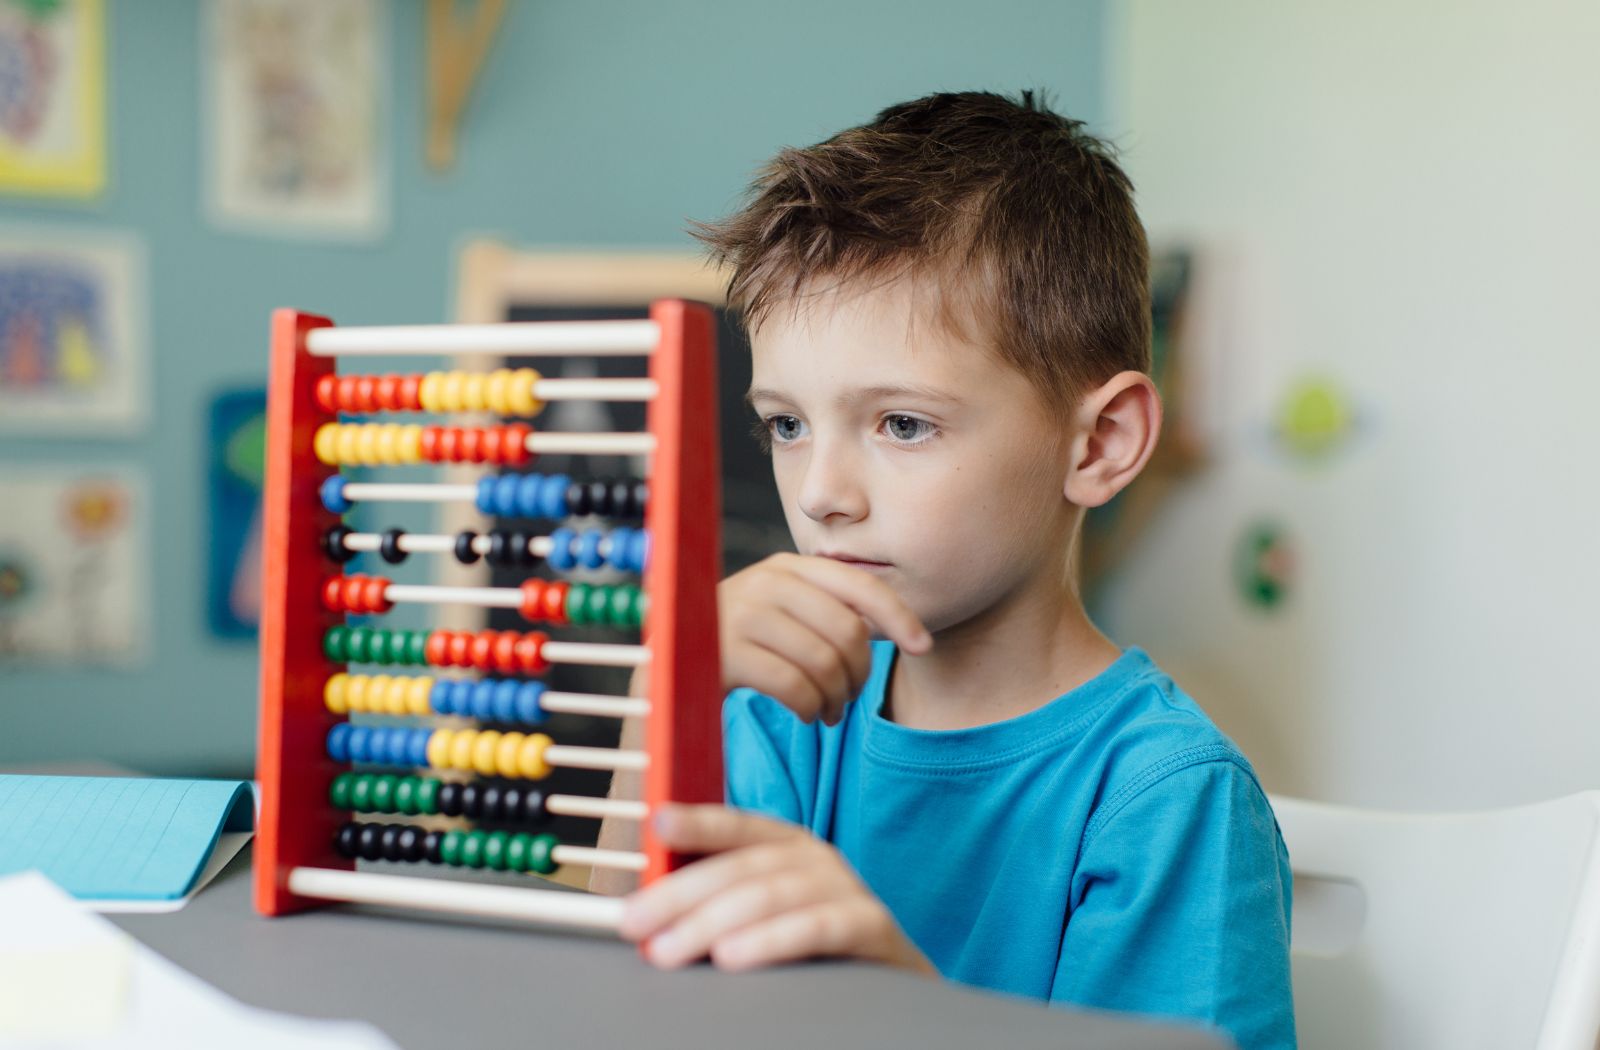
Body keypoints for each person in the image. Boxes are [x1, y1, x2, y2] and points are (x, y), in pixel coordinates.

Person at [593, 90, 1295, 1050]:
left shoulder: (1167, 799)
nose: (823, 493)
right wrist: (660, 686)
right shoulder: (775, 715)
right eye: (786, 425)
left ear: (1098, 444)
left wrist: (908, 1011)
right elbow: (610, 993)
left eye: (903, 424)